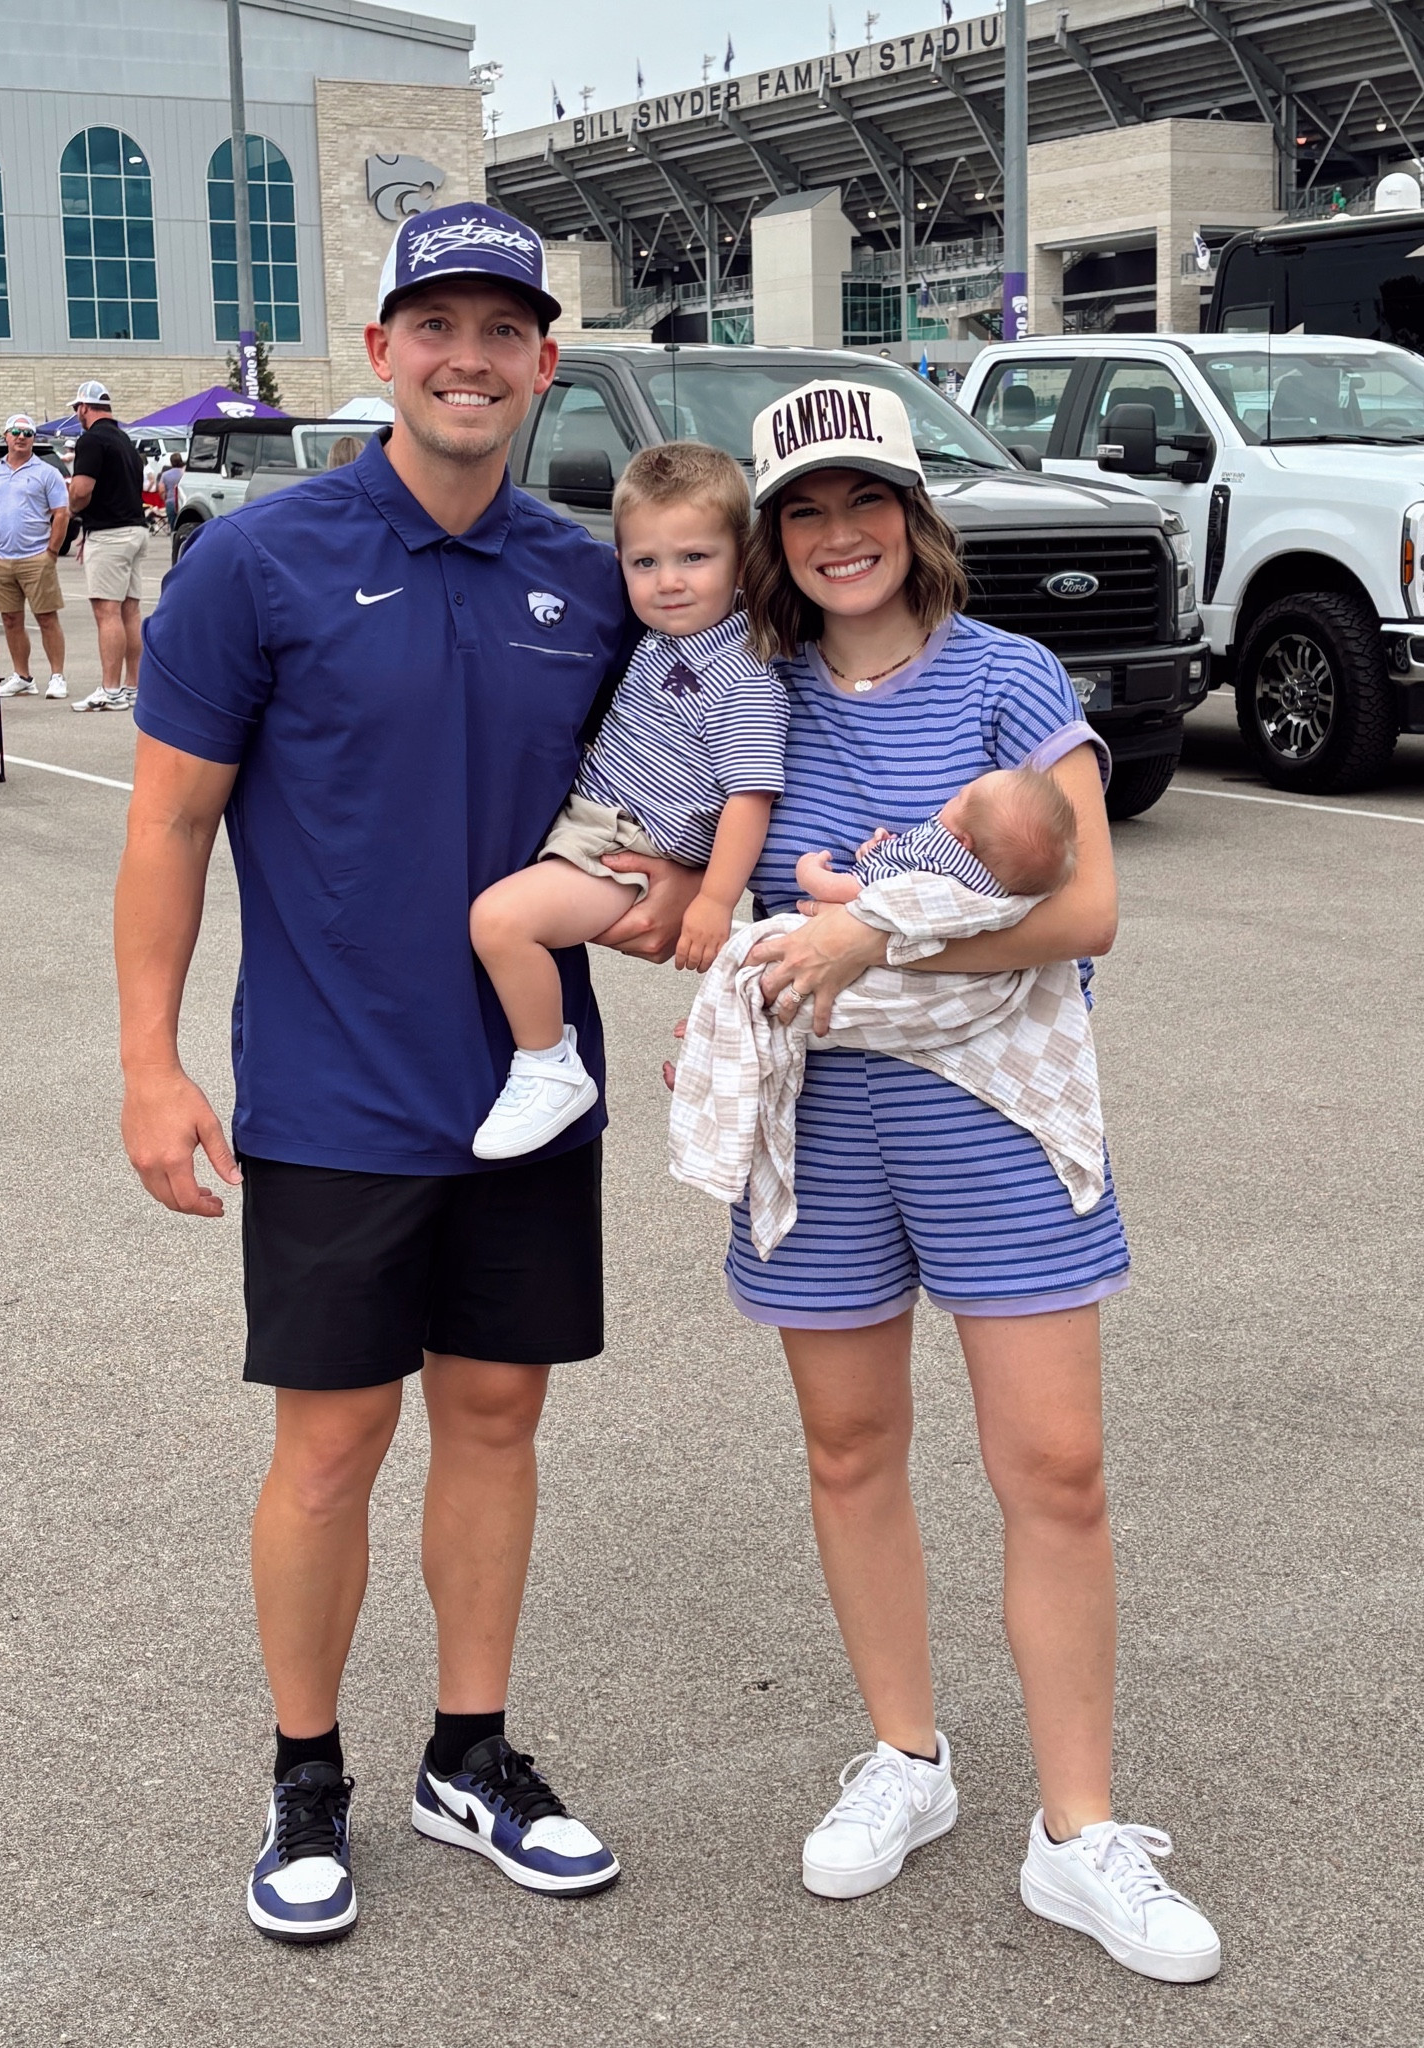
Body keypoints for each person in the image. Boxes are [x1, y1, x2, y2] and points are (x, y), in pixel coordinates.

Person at [115, 200, 702, 1946]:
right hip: (328, 1092)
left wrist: (679, 893)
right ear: (379, 351)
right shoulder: (261, 561)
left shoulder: (588, 577)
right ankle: (309, 1774)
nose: (468, 357)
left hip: (527, 1088)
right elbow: (165, 826)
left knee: (499, 1416)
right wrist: (148, 1060)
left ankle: (471, 1747)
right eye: (433, 326)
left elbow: (666, 798)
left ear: (543, 362)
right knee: (332, 1442)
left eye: (502, 330)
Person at [724, 378, 1221, 1982]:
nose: (838, 534)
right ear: (771, 537)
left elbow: (1084, 915)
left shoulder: (1008, 676)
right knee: (850, 1444)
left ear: (915, 514)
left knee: (1055, 1467)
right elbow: (672, 864)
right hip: (822, 1116)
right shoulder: (749, 693)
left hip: (994, 1117)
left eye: (862, 500)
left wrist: (871, 930)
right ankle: (906, 1758)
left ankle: (1077, 1833)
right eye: (803, 510)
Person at [468, 440, 786, 1160]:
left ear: (743, 555)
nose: (668, 581)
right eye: (645, 562)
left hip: (628, 852)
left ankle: (548, 1066)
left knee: (498, 923)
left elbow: (750, 797)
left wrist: (712, 901)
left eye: (693, 558)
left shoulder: (744, 677)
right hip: (598, 830)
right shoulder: (660, 641)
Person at [795, 762, 1076, 906]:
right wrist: (881, 850)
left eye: (959, 798)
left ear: (963, 842)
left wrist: (810, 873)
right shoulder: (985, 884)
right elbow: (903, 860)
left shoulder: (933, 878)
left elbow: (859, 892)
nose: (950, 800)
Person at [65, 380, 146, 712]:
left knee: (107, 612)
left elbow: (82, 490)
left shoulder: (91, 440)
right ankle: (132, 686)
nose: (76, 415)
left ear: (84, 407)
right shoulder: (125, 440)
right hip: (134, 529)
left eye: (76, 410)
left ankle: (110, 689)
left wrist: (71, 507)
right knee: (130, 611)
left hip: (110, 534)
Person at [0, 415, 71, 701]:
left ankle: (57, 676)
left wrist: (51, 552)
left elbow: (61, 513)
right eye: (16, 432)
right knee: (11, 619)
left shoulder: (47, 473)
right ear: (6, 436)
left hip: (36, 558)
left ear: (34, 438)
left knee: (46, 617)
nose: (21, 437)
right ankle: (22, 676)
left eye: (27, 433)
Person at [160, 451, 184, 525]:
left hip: (170, 501)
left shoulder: (165, 475)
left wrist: (165, 500)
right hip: (183, 502)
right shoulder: (184, 474)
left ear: (171, 462)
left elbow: (161, 491)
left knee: (172, 525)